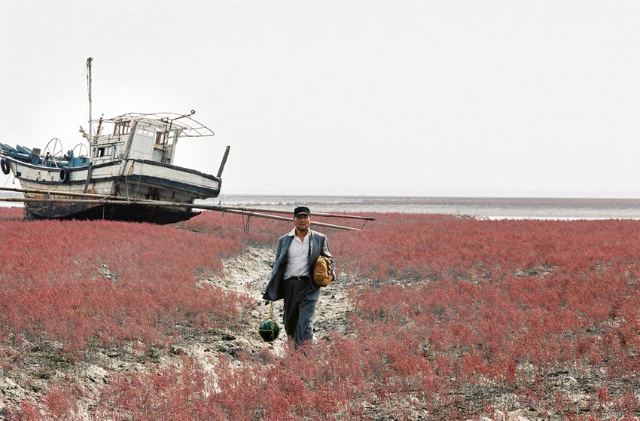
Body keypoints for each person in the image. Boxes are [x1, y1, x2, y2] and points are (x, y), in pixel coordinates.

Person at [263, 206, 335, 345]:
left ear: (310, 219)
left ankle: (305, 355)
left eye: (305, 217)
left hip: (310, 286)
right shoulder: (284, 240)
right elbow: (278, 265)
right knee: (290, 322)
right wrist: (273, 287)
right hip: (289, 285)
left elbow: (330, 260)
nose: (302, 220)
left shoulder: (320, 239)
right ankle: (294, 352)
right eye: (299, 217)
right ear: (294, 220)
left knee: (305, 323)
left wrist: (330, 276)